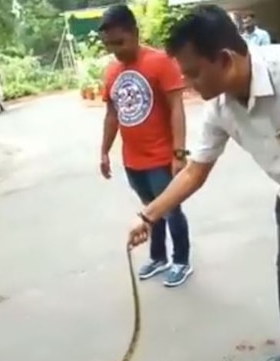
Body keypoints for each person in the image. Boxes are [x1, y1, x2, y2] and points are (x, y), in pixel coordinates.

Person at [126, 5, 280, 361]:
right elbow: (194, 172)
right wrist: (148, 214)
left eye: (193, 72)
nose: (186, 81)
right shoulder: (219, 109)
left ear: (226, 60)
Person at [98, 5, 194, 287]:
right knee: (149, 209)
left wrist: (179, 153)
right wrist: (104, 151)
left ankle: (181, 260)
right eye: (109, 44)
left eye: (120, 42)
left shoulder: (161, 62)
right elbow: (112, 114)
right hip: (133, 160)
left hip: (161, 156)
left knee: (170, 209)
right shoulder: (112, 71)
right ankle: (158, 256)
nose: (115, 50)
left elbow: (177, 108)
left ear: (135, 33)